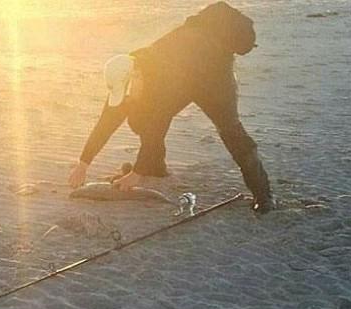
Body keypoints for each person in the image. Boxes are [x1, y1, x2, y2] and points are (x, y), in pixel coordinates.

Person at [68, 1, 274, 213]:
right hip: (183, 77)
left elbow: (157, 125)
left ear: (137, 77)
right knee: (139, 117)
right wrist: (83, 164)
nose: (126, 100)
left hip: (214, 78)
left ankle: (263, 194)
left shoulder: (157, 82)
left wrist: (137, 173)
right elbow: (107, 121)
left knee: (230, 131)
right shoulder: (126, 74)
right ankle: (155, 167)